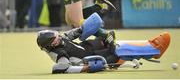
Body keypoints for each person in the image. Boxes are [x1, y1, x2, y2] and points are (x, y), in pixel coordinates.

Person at [36, 26, 170, 74]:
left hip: (89, 46)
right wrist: (86, 68)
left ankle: (147, 49)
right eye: (55, 38)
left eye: (56, 35)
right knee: (118, 50)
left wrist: (81, 29)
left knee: (109, 38)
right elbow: (64, 68)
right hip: (93, 56)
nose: (58, 36)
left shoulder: (59, 40)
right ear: (50, 45)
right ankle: (154, 49)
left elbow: (69, 35)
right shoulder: (60, 54)